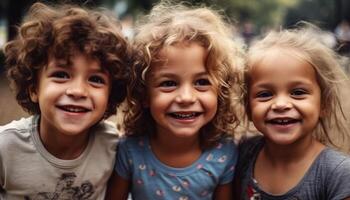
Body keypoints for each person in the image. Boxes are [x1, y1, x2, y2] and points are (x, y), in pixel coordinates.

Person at [106, 1, 245, 200]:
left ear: (220, 91)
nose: (186, 97)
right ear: (144, 94)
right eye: (169, 83)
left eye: (202, 82)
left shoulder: (224, 153)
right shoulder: (130, 150)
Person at [1, 2, 133, 199]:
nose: (78, 91)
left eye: (96, 79)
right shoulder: (6, 147)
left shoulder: (113, 146)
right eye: (61, 75)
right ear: (34, 89)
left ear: (110, 95)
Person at [234, 24, 350, 199]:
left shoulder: (338, 174)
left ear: (324, 104)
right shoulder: (242, 154)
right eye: (265, 94)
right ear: (248, 108)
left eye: (298, 93)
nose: (281, 104)